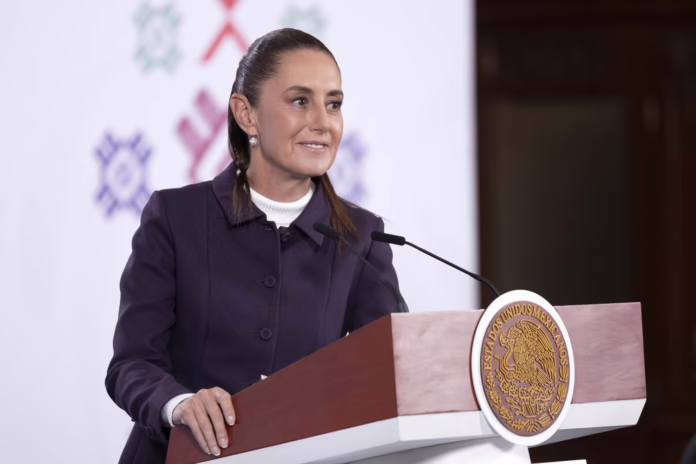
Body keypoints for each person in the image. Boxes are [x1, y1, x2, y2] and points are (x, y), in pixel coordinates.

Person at [105, 28, 402, 464]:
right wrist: (179, 404)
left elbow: (389, 374)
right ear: (246, 115)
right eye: (300, 101)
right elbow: (131, 364)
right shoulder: (174, 217)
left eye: (334, 104)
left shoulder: (362, 237)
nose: (323, 122)